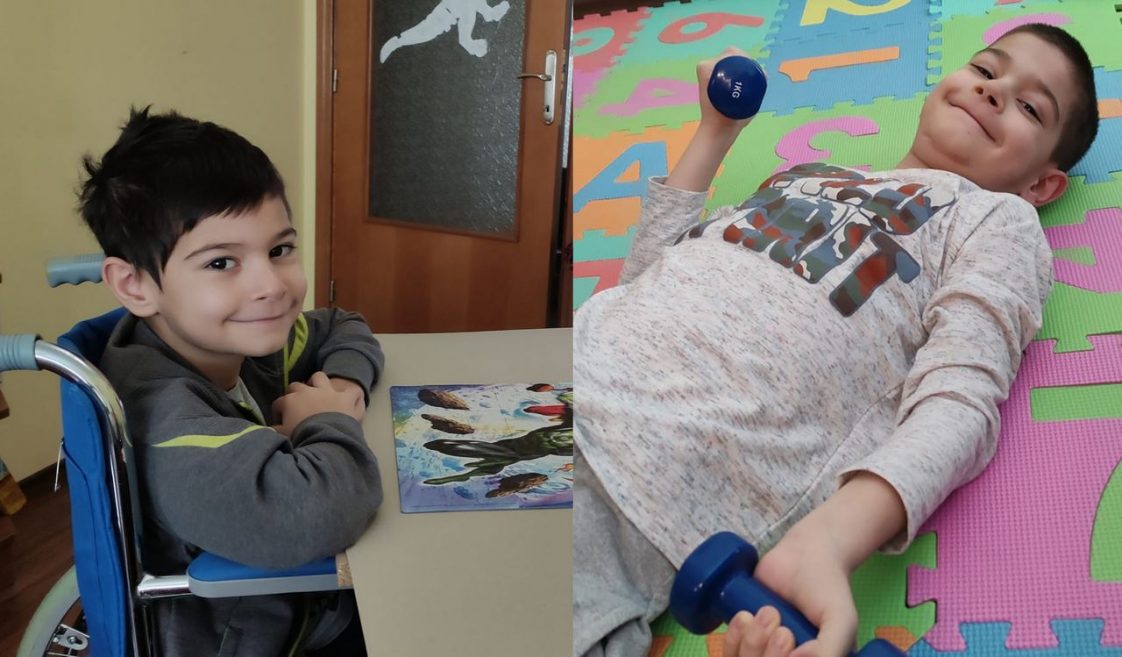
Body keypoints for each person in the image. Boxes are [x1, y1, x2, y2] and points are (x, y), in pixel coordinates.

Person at [572, 23, 1098, 657]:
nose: (993, 92)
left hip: (641, 470)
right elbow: (646, 279)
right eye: (986, 71)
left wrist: (830, 538)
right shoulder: (808, 175)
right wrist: (716, 130)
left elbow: (961, 396)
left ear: (1042, 186)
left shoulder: (992, 218)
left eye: (1029, 106)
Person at [79, 107, 384, 656]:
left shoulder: (232, 339)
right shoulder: (166, 425)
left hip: (306, 598)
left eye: (279, 250)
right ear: (135, 285)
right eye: (222, 263)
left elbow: (343, 325)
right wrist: (326, 419)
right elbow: (317, 517)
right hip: (271, 635)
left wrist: (340, 387)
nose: (272, 285)